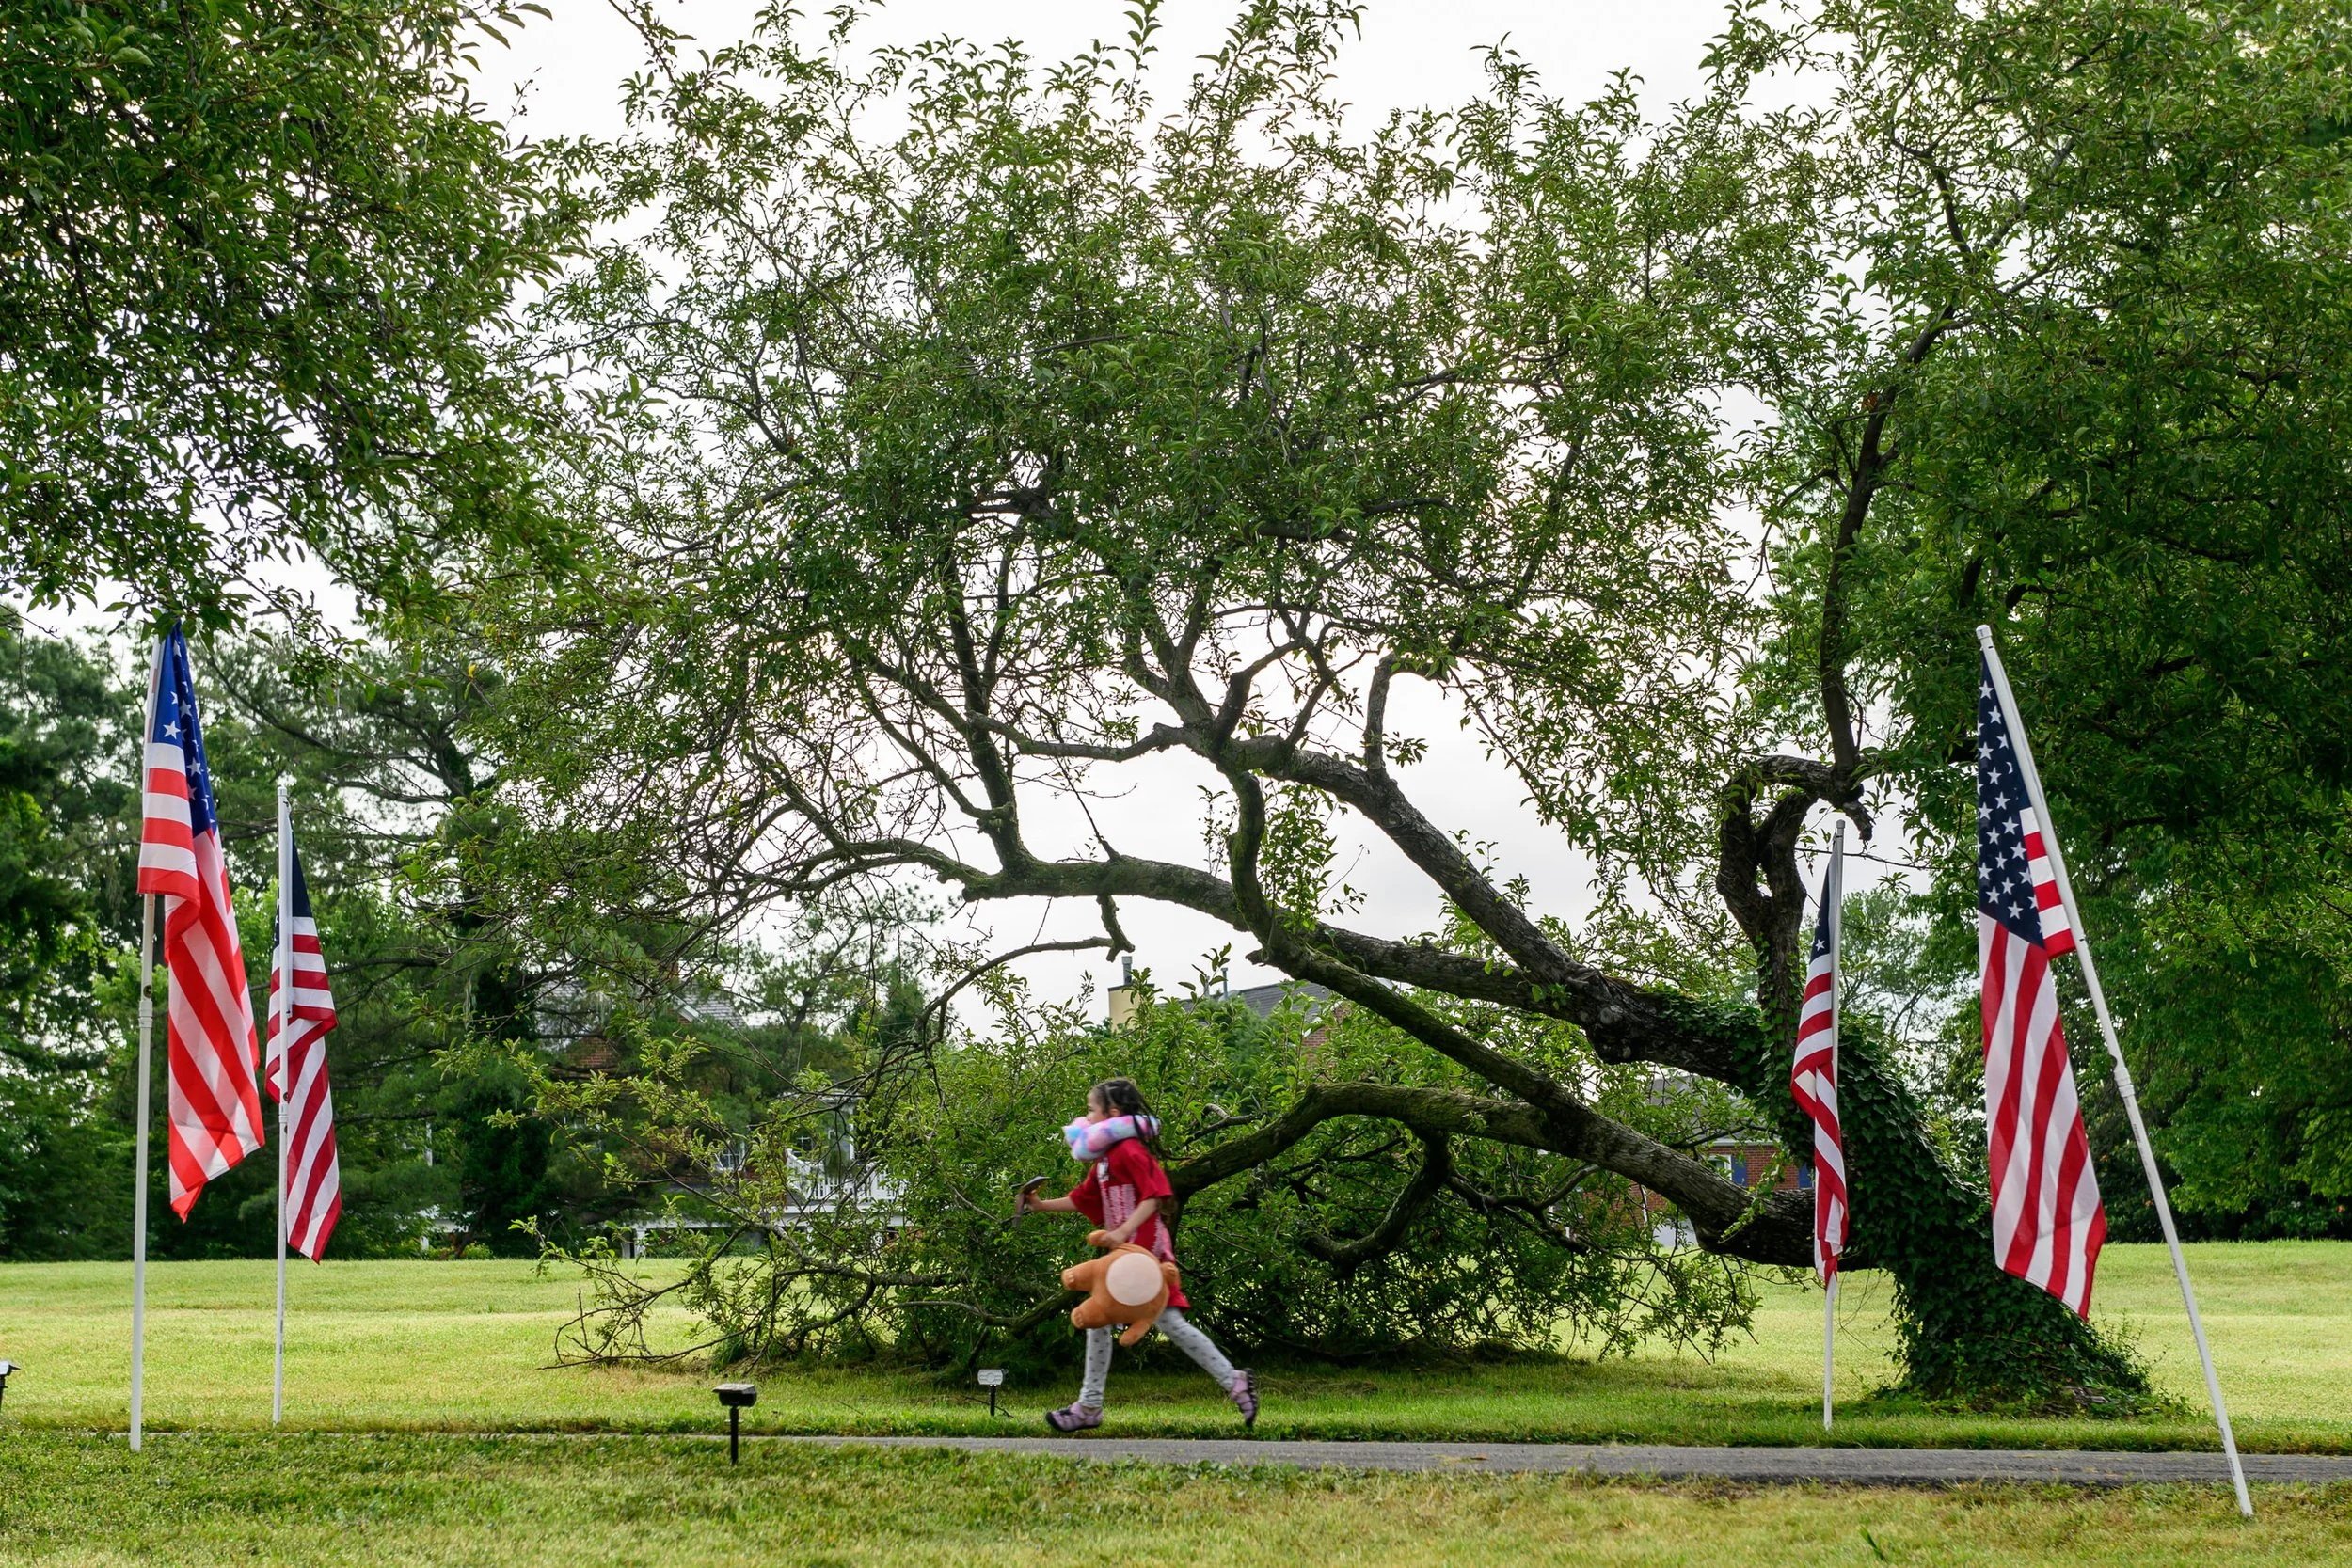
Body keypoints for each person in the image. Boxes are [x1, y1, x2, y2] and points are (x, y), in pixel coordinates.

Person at [1018, 1077, 1258, 1432]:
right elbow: (1082, 1199)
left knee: (1170, 1324)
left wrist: (1124, 1231)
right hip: (1123, 1263)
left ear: (1112, 1113)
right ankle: (1089, 1405)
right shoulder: (1104, 1160)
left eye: (1090, 1110)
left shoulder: (1130, 1151)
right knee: (1102, 1321)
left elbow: (1155, 1196)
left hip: (1146, 1259)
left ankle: (1233, 1380)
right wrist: (1039, 1206)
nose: (1086, 1118)